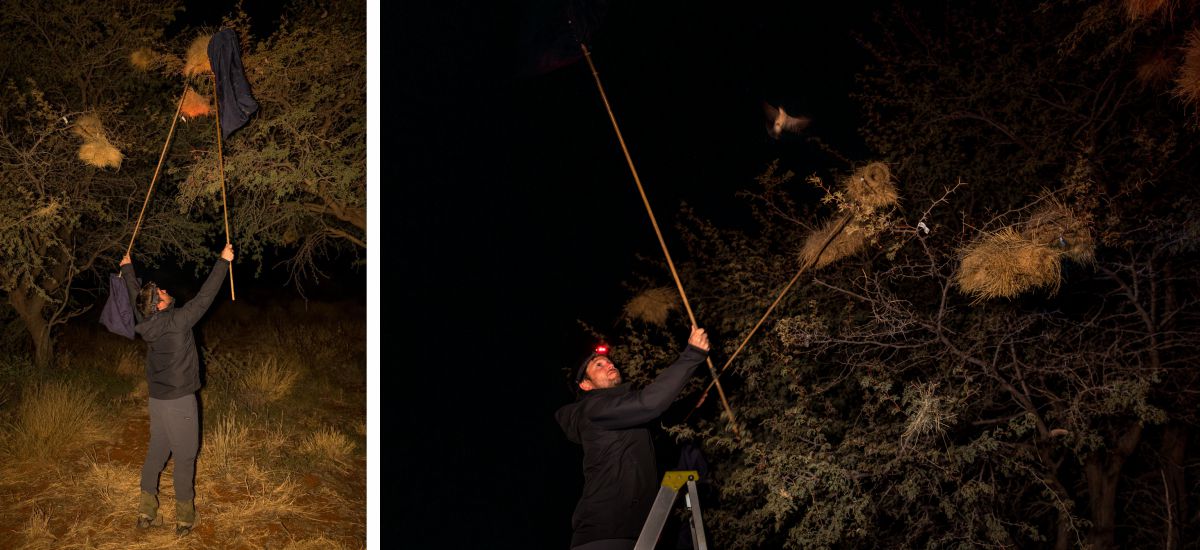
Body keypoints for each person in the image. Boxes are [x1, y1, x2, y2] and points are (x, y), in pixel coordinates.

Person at [555, 326, 711, 550]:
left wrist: (691, 403)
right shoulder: (593, 408)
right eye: (599, 364)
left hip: (633, 534)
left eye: (609, 361)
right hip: (604, 535)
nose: (610, 364)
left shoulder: (618, 415)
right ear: (585, 385)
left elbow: (655, 423)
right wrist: (693, 354)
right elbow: (649, 403)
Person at [120, 243, 233, 536]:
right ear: (159, 304)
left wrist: (127, 267)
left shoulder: (146, 320)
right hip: (180, 401)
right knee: (184, 456)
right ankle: (185, 518)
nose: (168, 292)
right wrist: (223, 262)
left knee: (157, 450)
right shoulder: (179, 321)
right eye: (163, 293)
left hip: (158, 400)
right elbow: (205, 297)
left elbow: (136, 296)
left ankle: (146, 512)